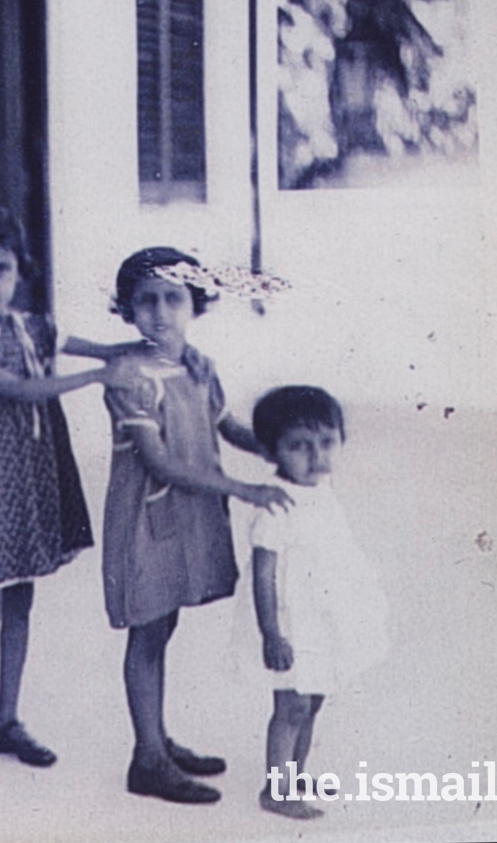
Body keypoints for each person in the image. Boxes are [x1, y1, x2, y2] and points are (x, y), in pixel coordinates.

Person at [0, 203, 119, 805]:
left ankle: (6, 720)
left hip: (32, 482)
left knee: (21, 599)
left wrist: (141, 350)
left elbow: (98, 347)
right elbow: (20, 390)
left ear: (20, 268)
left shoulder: (34, 326)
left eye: (2, 269)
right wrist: (94, 381)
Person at [100, 247, 292, 804]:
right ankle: (148, 759)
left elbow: (225, 424)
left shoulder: (197, 365)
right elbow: (159, 463)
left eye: (173, 299)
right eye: (147, 301)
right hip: (146, 517)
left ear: (195, 305)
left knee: (164, 625)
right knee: (146, 629)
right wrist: (244, 488)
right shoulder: (129, 376)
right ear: (128, 309)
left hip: (186, 516)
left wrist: (277, 445)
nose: (161, 313)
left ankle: (157, 739)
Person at [249, 385, 389, 819]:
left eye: (326, 443)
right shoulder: (275, 505)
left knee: (313, 701)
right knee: (290, 706)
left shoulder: (322, 489)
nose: (315, 457)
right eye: (298, 446)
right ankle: (276, 790)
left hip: (326, 619)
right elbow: (264, 573)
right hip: (294, 625)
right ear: (274, 452)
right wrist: (272, 633)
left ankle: (294, 773)